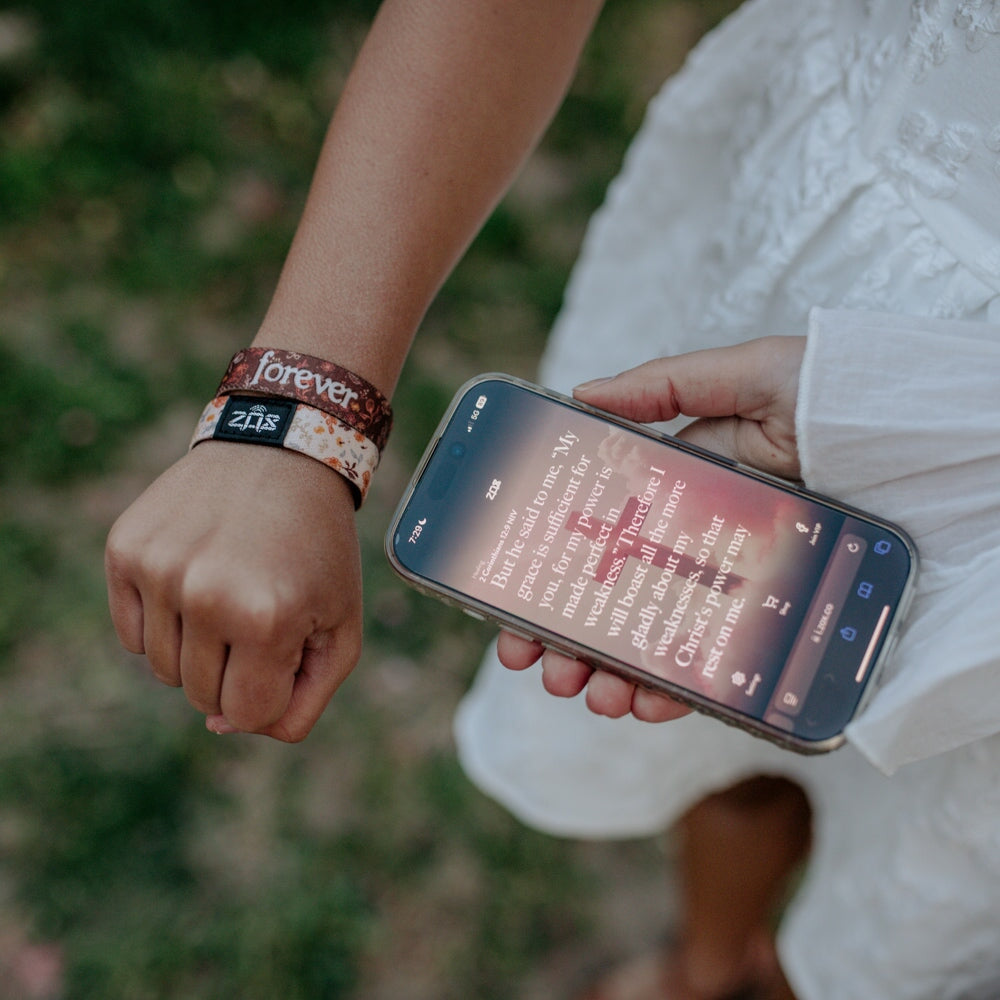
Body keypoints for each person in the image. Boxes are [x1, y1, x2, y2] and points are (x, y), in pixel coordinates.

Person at [105, 1, 1000, 997]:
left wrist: (935, 409)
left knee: (900, 879)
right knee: (725, 718)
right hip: (819, 241)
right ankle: (705, 966)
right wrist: (292, 416)